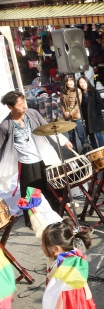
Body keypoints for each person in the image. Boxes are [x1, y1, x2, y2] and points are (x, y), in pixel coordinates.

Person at [0, 91, 73, 226]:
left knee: (52, 186)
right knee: (31, 193)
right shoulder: (5, 125)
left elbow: (49, 127)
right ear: (10, 107)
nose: (24, 106)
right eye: (20, 104)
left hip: (44, 157)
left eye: (24, 102)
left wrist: (63, 141)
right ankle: (34, 221)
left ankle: (58, 213)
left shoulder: (32, 113)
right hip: (27, 162)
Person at [40, 220, 98, 309]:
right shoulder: (75, 253)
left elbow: (59, 300)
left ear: (56, 248)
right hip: (81, 302)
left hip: (67, 306)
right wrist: (89, 300)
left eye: (43, 244)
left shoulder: (60, 268)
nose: (41, 247)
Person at [76, 76, 104, 149]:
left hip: (95, 116)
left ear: (87, 82)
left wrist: (97, 112)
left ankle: (102, 149)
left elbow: (99, 103)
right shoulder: (80, 94)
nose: (82, 84)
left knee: (98, 135)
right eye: (80, 83)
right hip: (86, 117)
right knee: (91, 135)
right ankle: (95, 150)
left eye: (84, 82)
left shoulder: (94, 91)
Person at [59, 75, 85, 150]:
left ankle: (86, 152)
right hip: (67, 118)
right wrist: (65, 113)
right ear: (65, 82)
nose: (70, 83)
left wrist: (70, 113)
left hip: (77, 116)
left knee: (81, 136)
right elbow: (61, 104)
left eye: (71, 80)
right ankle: (75, 153)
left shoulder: (78, 90)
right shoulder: (63, 92)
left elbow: (78, 104)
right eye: (68, 81)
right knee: (71, 136)